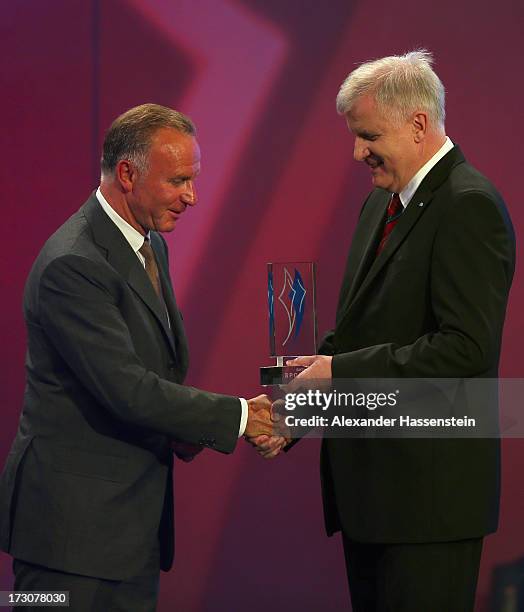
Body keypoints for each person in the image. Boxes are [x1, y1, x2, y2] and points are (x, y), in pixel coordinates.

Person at [250, 50, 515, 611]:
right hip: (375, 501)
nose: (356, 151)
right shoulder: (382, 202)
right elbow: (355, 333)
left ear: (418, 123)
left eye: (368, 135)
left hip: (429, 506)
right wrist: (299, 412)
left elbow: (465, 350)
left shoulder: (469, 205)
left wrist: (337, 373)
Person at [0, 103, 275, 611]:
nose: (192, 196)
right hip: (71, 541)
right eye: (178, 181)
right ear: (127, 174)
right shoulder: (73, 265)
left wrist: (182, 429)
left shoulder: (148, 243)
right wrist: (240, 417)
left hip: (127, 535)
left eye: (192, 179)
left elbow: (154, 373)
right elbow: (127, 389)